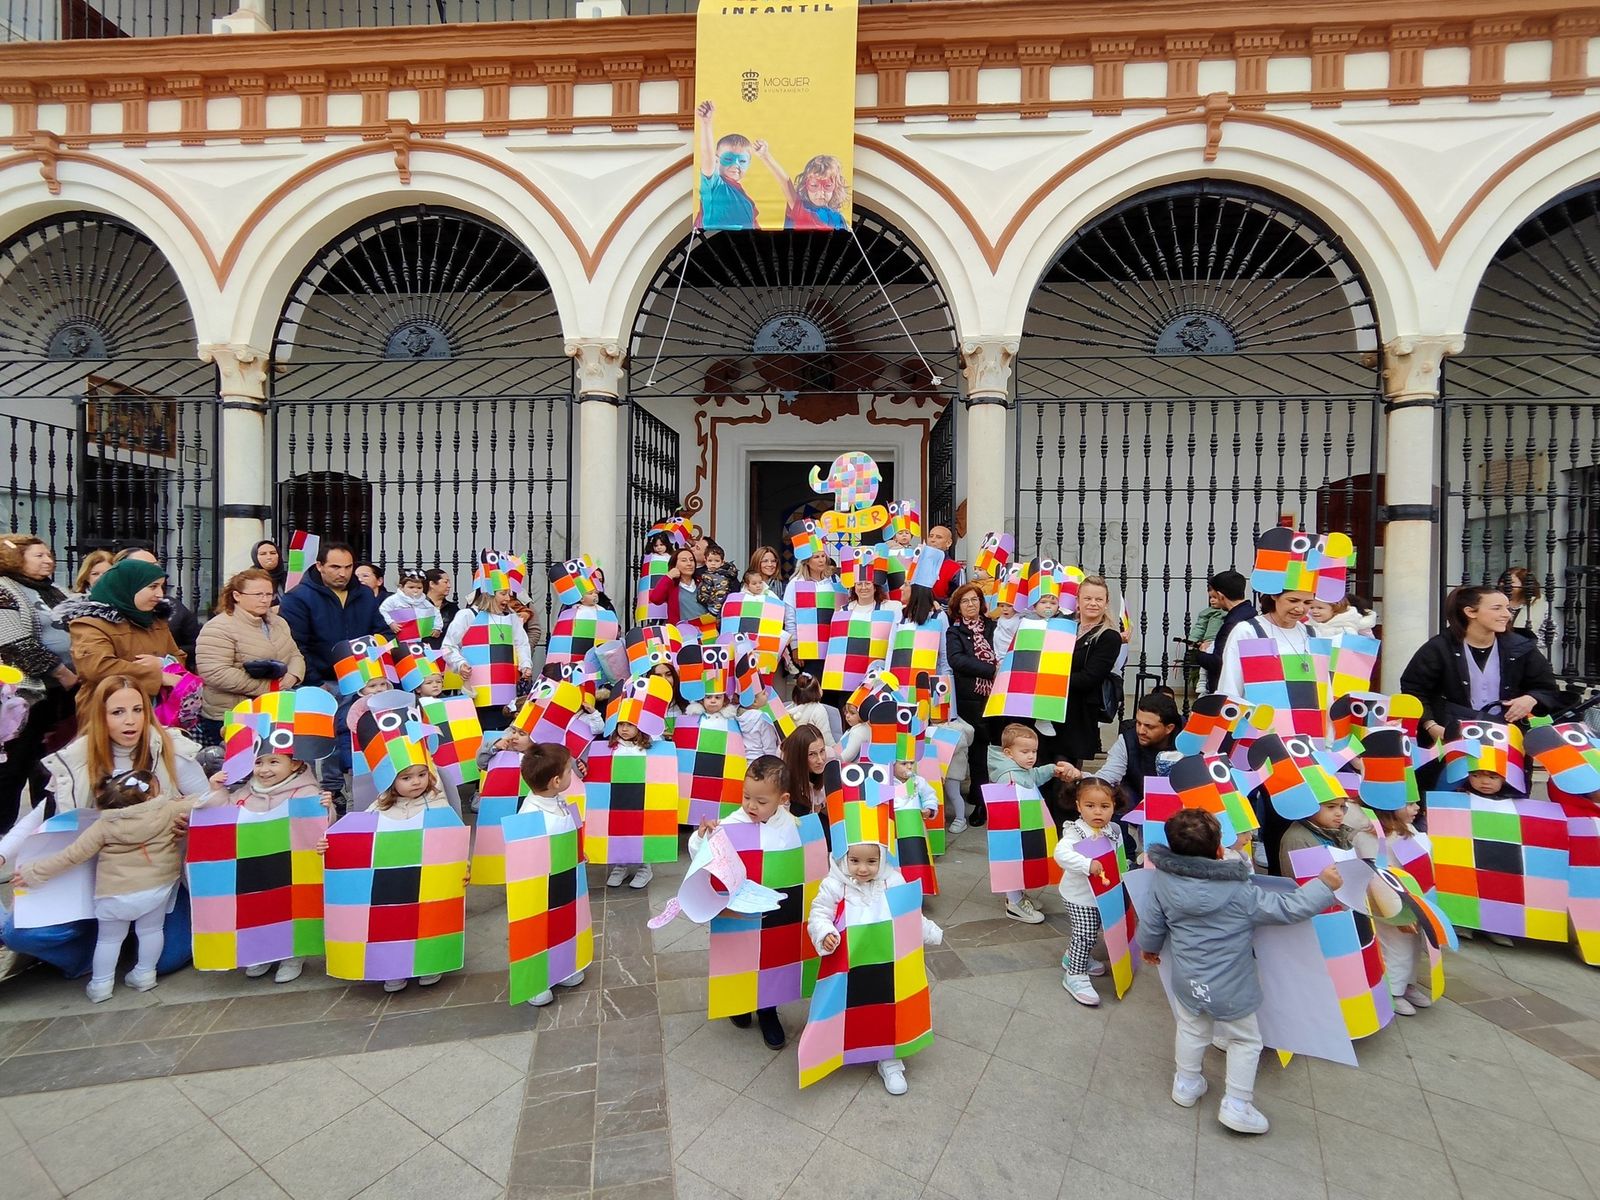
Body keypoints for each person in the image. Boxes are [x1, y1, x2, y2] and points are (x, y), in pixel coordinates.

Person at [1140, 808, 1341, 1135]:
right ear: (1220, 850)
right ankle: (1237, 1105)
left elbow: (1152, 922)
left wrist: (1148, 947)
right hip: (1232, 987)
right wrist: (1323, 885)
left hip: (1188, 980)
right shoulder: (1240, 890)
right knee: (1245, 1040)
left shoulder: (1163, 880)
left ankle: (1186, 1084)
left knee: (1191, 1029)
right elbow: (1288, 909)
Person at [0, 675, 206, 978]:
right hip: (100, 879)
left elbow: (208, 804)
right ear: (101, 716)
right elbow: (45, 811)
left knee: (167, 960)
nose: (130, 721)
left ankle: (124, 939)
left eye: (138, 710)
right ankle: (89, 952)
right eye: (118, 712)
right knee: (20, 935)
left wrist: (190, 824)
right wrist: (4, 853)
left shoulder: (171, 750)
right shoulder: (78, 759)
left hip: (162, 877)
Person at [15, 766, 211, 1002]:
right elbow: (203, 802)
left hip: (114, 895)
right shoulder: (168, 810)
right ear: (150, 795)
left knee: (108, 940)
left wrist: (34, 871)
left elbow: (72, 855)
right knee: (151, 932)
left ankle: (100, 985)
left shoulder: (103, 824)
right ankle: (145, 974)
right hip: (156, 889)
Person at [806, 807, 943, 1095]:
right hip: (847, 964)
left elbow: (909, 913)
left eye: (871, 861)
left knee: (887, 1009)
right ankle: (835, 1048)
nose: (863, 868)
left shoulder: (892, 881)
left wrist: (928, 931)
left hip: (886, 962)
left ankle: (890, 1059)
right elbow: (819, 913)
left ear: (883, 858)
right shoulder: (834, 885)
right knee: (843, 1007)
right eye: (855, 860)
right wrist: (825, 933)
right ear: (843, 857)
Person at [689, 755, 797, 1048]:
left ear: (782, 799)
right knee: (739, 955)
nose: (751, 806)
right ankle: (738, 1002)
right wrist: (701, 838)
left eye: (761, 801)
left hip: (775, 908)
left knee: (772, 958)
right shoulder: (732, 823)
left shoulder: (791, 826)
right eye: (746, 796)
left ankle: (768, 1011)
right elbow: (703, 857)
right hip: (738, 909)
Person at [1401, 585, 1561, 747]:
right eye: (1497, 608)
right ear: (1470, 612)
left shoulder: (1521, 647)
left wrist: (1530, 699)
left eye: (1507, 608)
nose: (1506, 614)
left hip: (1507, 738)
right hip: (1451, 735)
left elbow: (1547, 689)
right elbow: (1414, 692)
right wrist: (1431, 726)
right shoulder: (1438, 648)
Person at [0, 535, 78, 832]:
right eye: (39, 555)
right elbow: (14, 642)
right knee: (13, 768)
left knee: (50, 767)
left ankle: (44, 833)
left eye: (49, 554)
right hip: (26, 696)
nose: (48, 560)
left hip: (62, 696)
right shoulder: (4, 589)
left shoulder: (54, 590)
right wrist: (63, 673)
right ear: (14, 558)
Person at [61, 558, 186, 725]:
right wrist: (159, 677)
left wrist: (163, 662)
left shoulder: (156, 620)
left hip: (157, 711)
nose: (160, 594)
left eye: (161, 586)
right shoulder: (90, 623)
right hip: (108, 712)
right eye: (152, 587)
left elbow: (179, 657)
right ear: (129, 587)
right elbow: (98, 667)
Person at [193, 568, 305, 746]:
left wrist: (293, 677)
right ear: (237, 596)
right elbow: (216, 673)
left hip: (275, 709)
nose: (265, 599)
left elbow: (295, 654)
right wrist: (270, 687)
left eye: (269, 594)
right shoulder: (218, 627)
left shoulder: (278, 622)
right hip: (232, 712)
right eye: (258, 594)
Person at [371, 760, 455, 992]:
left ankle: (429, 962)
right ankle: (393, 967)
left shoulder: (438, 804)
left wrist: (463, 867)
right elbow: (358, 835)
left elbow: (452, 840)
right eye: (406, 778)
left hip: (428, 875)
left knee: (427, 918)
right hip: (392, 878)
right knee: (393, 921)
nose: (416, 782)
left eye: (421, 774)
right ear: (390, 780)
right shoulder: (379, 806)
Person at [517, 743, 588, 1007]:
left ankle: (560, 967)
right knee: (539, 931)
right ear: (557, 781)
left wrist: (577, 853)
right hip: (540, 888)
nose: (574, 775)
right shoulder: (531, 815)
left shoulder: (557, 801)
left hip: (564, 878)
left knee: (563, 923)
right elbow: (524, 859)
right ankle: (536, 979)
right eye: (570, 771)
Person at [1351, 801, 1436, 1016]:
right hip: (1388, 904)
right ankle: (1393, 990)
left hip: (1412, 898)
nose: (1416, 807)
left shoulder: (1409, 830)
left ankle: (1408, 983)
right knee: (1394, 947)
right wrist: (1395, 913)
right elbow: (1376, 877)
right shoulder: (1369, 838)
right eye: (1408, 804)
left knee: (1413, 946)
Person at [987, 722, 1074, 924]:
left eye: (1034, 751)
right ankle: (1014, 903)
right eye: (1025, 751)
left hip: (1023, 826)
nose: (1031, 756)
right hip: (1012, 830)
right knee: (1012, 863)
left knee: (1021, 862)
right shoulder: (1007, 776)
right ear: (1008, 753)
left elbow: (1034, 776)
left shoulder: (1019, 769)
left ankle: (1018, 896)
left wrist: (1053, 769)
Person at [279, 542, 388, 687]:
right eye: (335, 567)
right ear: (319, 566)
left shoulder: (365, 594)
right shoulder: (297, 598)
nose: (343, 573)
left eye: (348, 567)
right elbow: (296, 646)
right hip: (323, 682)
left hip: (367, 679)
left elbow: (381, 633)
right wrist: (316, 683)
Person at [1053, 777, 1122, 1007]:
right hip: (1079, 895)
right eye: (1090, 806)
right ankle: (1075, 974)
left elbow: (1118, 857)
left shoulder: (1113, 830)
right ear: (1078, 806)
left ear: (1114, 806)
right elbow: (1060, 854)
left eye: (1105, 806)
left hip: (1103, 894)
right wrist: (1087, 864)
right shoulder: (1076, 831)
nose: (1097, 812)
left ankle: (1073, 955)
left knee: (1093, 930)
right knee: (1086, 933)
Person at [946, 582, 998, 819]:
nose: (970, 604)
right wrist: (990, 669)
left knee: (990, 750)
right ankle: (980, 801)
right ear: (958, 606)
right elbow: (957, 660)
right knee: (976, 751)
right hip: (969, 697)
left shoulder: (994, 627)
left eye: (974, 600)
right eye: (965, 601)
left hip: (995, 696)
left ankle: (986, 798)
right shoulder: (955, 631)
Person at [1062, 575, 1122, 766]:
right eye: (1088, 598)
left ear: (1106, 603)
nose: (1093, 603)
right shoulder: (1064, 628)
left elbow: (1090, 678)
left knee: (1066, 774)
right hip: (1051, 710)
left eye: (1099, 599)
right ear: (1078, 600)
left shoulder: (1109, 636)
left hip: (1078, 715)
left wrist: (1051, 680)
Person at [113, 547, 201, 663]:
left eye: (155, 565)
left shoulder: (162, 613)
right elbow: (100, 668)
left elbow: (186, 652)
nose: (152, 571)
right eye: (144, 566)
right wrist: (156, 673)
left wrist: (164, 663)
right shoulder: (98, 617)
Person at [753, 142, 849, 231]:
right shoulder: (800, 209)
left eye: (827, 186)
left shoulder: (838, 218)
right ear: (806, 186)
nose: (820, 193)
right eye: (814, 185)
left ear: (835, 187)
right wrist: (765, 156)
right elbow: (785, 182)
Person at [695, 99, 758, 230]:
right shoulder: (715, 183)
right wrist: (706, 124)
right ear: (717, 160)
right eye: (728, 159)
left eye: (742, 161)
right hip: (716, 238)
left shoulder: (747, 201)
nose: (736, 165)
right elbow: (707, 156)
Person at [1195, 570, 1255, 694]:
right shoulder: (1251, 613)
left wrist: (1200, 654)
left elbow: (1218, 662)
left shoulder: (1232, 623)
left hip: (1228, 692)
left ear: (1220, 595)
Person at [647, 547, 708, 626]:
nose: (689, 563)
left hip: (707, 631)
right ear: (674, 564)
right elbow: (655, 599)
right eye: (684, 560)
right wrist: (668, 576)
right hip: (682, 633)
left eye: (691, 560)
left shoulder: (703, 582)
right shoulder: (671, 585)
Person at [380, 569, 444, 641]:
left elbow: (435, 612)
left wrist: (437, 627)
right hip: (398, 634)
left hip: (418, 636)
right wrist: (391, 622)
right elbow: (383, 610)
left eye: (419, 588)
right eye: (411, 587)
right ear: (401, 587)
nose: (415, 590)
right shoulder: (394, 599)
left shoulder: (423, 601)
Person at [1499, 567, 1551, 651]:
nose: (1502, 584)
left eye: (1510, 582)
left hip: (1527, 653)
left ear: (1523, 584)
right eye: (1502, 581)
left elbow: (1550, 632)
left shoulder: (1538, 604)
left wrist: (1529, 647)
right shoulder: (1495, 601)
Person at [780, 725, 828, 816]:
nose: (820, 760)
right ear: (799, 756)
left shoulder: (829, 763)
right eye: (812, 754)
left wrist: (821, 805)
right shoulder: (784, 779)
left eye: (822, 751)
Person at [695, 540, 740, 617]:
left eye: (717, 561)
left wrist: (715, 608)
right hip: (707, 603)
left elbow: (721, 592)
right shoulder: (705, 573)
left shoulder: (722, 576)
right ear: (705, 561)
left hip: (716, 608)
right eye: (710, 560)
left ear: (722, 562)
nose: (713, 563)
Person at [785, 673, 834, 742]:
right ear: (817, 691)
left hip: (792, 750)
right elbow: (826, 738)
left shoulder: (787, 709)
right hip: (814, 749)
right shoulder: (819, 709)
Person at [1308, 595, 1378, 639]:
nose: (1314, 611)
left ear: (1335, 609)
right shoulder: (1306, 625)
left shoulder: (1346, 630)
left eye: (1320, 608)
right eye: (1311, 607)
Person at [425, 568, 459, 633]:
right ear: (432, 584)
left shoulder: (452, 608)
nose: (449, 586)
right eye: (445, 582)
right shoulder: (419, 606)